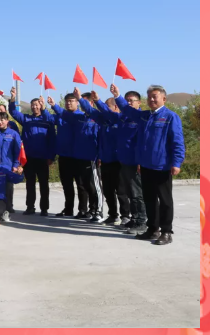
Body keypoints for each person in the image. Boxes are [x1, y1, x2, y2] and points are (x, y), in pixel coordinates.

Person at [111, 84, 185, 245]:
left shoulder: (170, 117)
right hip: (145, 165)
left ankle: (166, 232)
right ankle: (152, 229)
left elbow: (177, 142)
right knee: (149, 199)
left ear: (164, 99)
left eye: (155, 96)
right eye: (149, 97)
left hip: (162, 166)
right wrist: (117, 96)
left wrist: (176, 162)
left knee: (165, 201)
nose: (151, 99)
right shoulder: (144, 116)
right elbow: (128, 110)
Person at [94, 90, 146, 233]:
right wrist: (96, 100)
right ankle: (134, 219)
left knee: (137, 194)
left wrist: (117, 96)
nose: (128, 103)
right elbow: (106, 112)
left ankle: (141, 221)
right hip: (124, 162)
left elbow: (143, 143)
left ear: (139, 102)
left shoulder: (141, 118)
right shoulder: (122, 118)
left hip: (135, 162)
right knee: (131, 193)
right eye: (126, 100)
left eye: (131, 101)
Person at [76, 89, 128, 225]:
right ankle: (113, 215)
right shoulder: (103, 120)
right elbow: (91, 110)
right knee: (108, 190)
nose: (104, 110)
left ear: (116, 107)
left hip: (119, 160)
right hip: (105, 159)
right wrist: (80, 99)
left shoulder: (121, 120)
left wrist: (98, 100)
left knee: (121, 190)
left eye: (107, 107)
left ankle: (125, 216)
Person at [49, 93, 102, 221]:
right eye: (67, 101)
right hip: (73, 155)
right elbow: (55, 116)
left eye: (72, 101)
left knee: (86, 185)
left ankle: (92, 210)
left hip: (87, 157)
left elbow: (100, 138)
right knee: (70, 184)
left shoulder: (95, 118)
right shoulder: (77, 117)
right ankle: (71, 209)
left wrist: (100, 155)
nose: (69, 103)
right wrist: (50, 106)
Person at [8, 87, 56, 216]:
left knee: (44, 184)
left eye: (37, 104)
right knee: (30, 183)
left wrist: (51, 156)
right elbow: (13, 112)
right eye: (33, 105)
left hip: (43, 158)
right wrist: (13, 98)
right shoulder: (26, 119)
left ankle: (44, 208)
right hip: (29, 157)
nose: (34, 107)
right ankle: (30, 207)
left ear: (41, 106)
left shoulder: (48, 120)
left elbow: (52, 140)